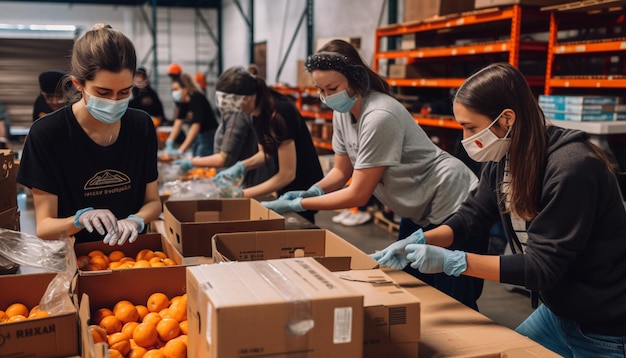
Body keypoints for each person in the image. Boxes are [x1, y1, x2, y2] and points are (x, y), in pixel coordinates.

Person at [377, 62, 626, 357]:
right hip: (557, 311)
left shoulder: (572, 168)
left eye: (471, 127)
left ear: (507, 118)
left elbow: (540, 267)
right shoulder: (506, 157)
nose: (466, 138)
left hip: (602, 325)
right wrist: (422, 240)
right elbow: (473, 215)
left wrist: (455, 261)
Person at [261, 39, 486, 309]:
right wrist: (315, 190)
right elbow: (341, 171)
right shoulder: (342, 114)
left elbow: (358, 192)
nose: (327, 97)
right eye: (321, 90)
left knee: (454, 298)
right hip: (417, 206)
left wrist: (299, 204)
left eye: (332, 88)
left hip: (452, 200)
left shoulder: (380, 115)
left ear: (355, 78)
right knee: (411, 286)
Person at [16, 23, 161, 246]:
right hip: (76, 258)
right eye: (103, 93)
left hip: (132, 258)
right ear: (78, 84)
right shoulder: (48, 134)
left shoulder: (141, 126)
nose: (114, 102)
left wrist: (136, 220)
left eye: (124, 92)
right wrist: (79, 219)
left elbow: (153, 202)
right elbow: (44, 227)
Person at [214, 75, 324, 223]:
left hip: (300, 183)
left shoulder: (279, 113)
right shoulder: (256, 112)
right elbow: (265, 153)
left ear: (248, 98)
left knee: (299, 226)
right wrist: (240, 167)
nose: (237, 112)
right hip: (282, 180)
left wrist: (241, 194)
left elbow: (287, 174)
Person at [174, 66, 266, 189]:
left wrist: (192, 161)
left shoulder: (236, 115)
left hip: (241, 183)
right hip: (237, 180)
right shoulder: (234, 112)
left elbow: (225, 158)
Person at [163, 73, 218, 157]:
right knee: (195, 156)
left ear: (185, 89)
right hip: (199, 135)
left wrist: (181, 149)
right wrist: (170, 141)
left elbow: (196, 125)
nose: (174, 92)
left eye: (176, 89)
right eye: (173, 90)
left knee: (201, 159)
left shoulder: (196, 98)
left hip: (209, 135)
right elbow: (178, 122)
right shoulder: (183, 101)